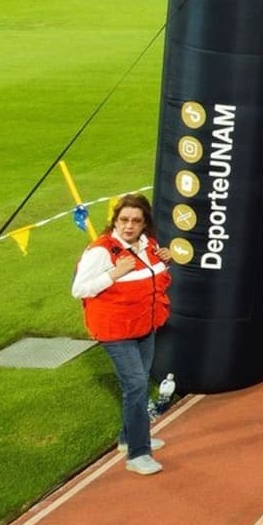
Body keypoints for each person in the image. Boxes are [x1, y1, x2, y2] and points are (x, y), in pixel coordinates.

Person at [71, 193, 172, 476]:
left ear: (144, 224)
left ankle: (128, 438)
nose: (129, 225)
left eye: (136, 221)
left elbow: (153, 279)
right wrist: (113, 274)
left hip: (144, 326)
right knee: (136, 386)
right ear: (114, 221)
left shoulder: (149, 244)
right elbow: (79, 289)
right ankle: (138, 454)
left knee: (139, 383)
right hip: (115, 330)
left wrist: (167, 261)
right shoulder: (101, 252)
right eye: (124, 219)